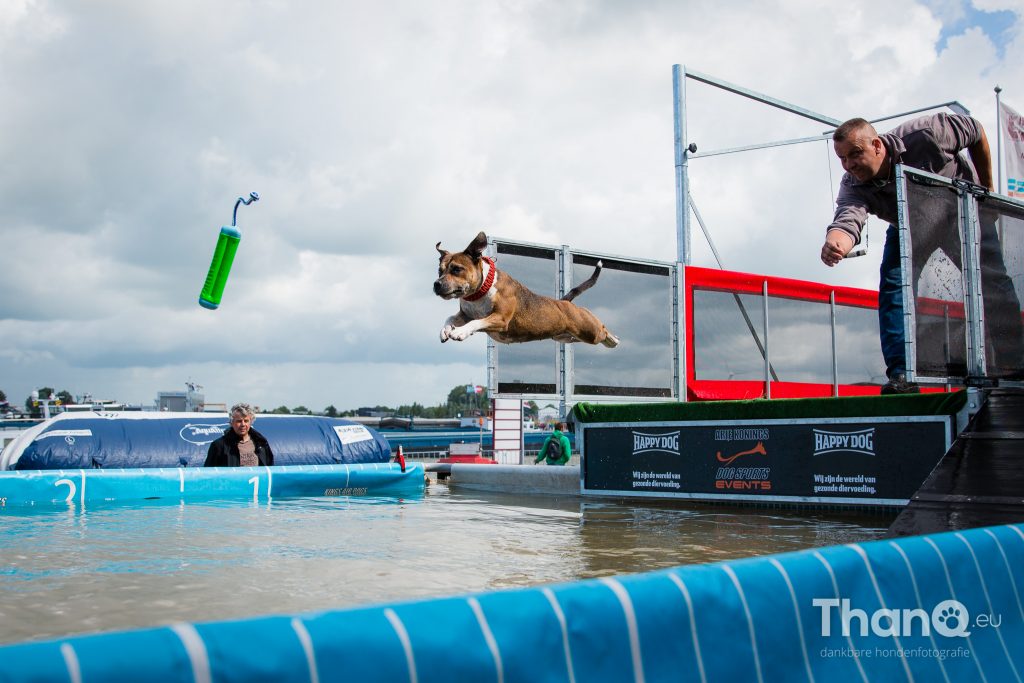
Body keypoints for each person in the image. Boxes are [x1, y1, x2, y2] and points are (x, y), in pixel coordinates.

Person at [821, 113, 1023, 393]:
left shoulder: (926, 134)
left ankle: (1014, 364)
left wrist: (986, 190)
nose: (849, 164)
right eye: (842, 158)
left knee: (992, 284)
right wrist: (836, 243)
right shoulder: (853, 184)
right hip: (909, 225)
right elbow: (847, 217)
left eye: (855, 154)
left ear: (877, 145)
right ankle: (902, 374)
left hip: (959, 213)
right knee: (894, 287)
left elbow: (976, 130)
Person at [204, 402, 275, 467]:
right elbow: (209, 473)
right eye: (239, 421)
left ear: (251, 422)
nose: (243, 424)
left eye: (246, 421)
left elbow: (269, 469)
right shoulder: (219, 445)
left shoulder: (261, 443)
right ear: (231, 423)